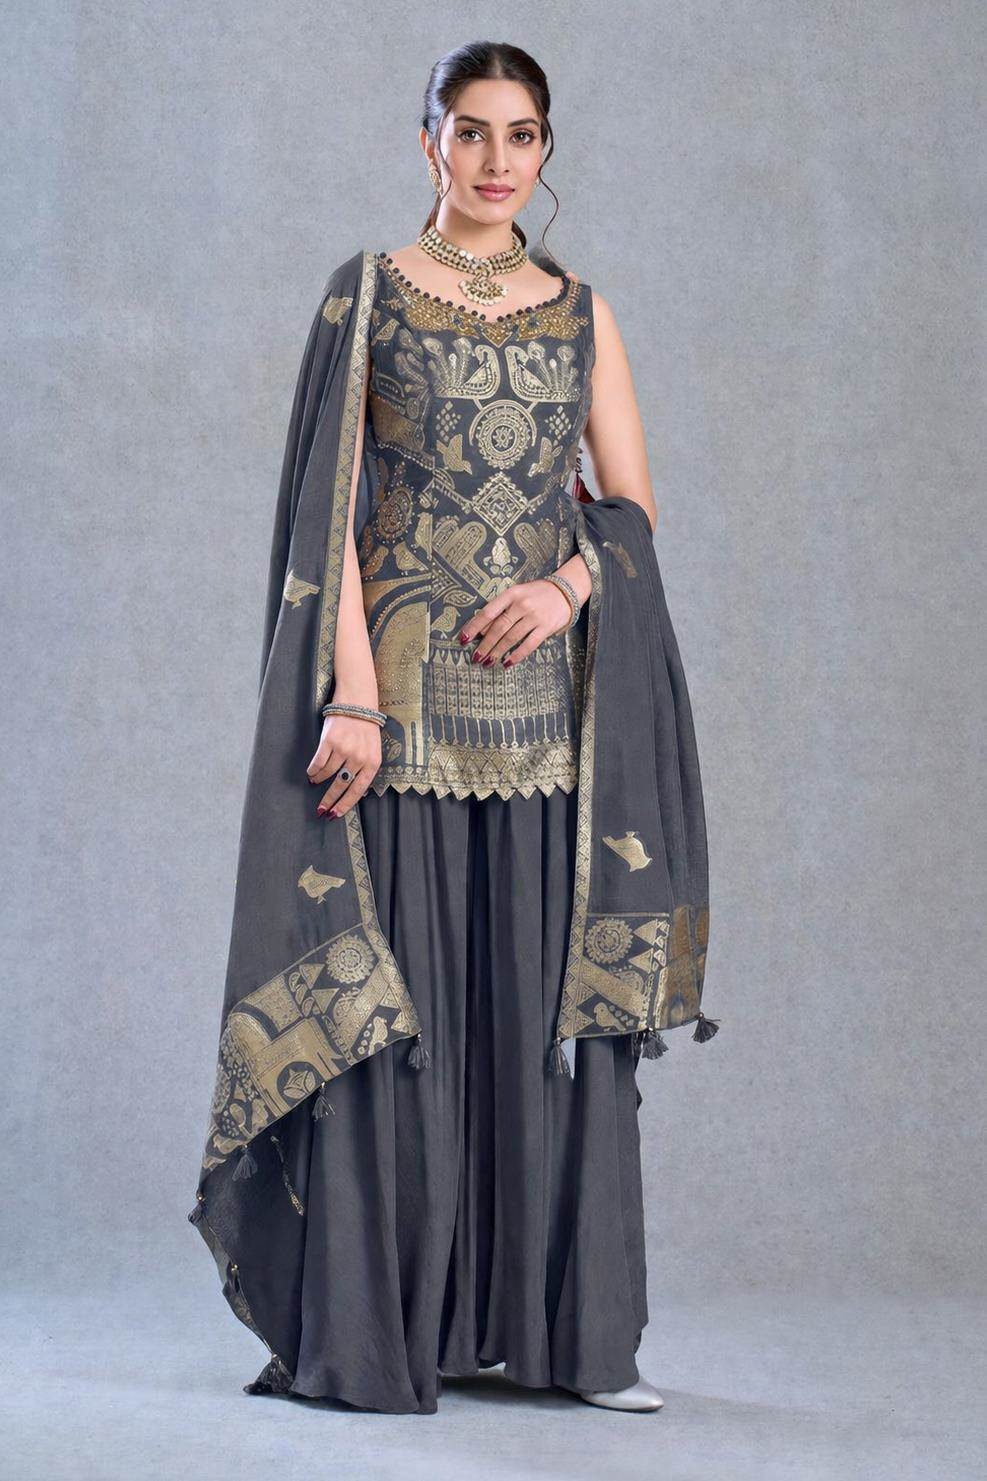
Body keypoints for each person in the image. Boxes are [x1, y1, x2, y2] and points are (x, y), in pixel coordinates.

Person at [188, 41, 716, 1418]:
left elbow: (632, 510)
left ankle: (567, 1341)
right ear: (426, 139)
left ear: (547, 149)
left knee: (537, 1021)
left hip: (550, 723)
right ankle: (386, 1334)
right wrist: (353, 696)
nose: (496, 160)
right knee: (403, 1025)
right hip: (401, 713)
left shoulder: (582, 314)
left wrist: (564, 587)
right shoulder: (367, 293)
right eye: (470, 131)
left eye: (521, 135)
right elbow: (328, 516)